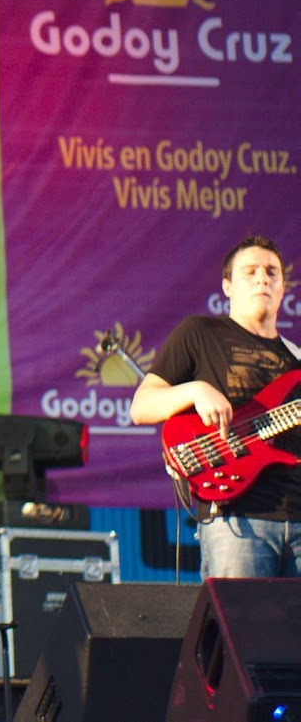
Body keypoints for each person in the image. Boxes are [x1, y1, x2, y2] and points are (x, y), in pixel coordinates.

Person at [130, 234, 301, 578]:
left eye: (272, 272)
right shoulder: (200, 332)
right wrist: (195, 390)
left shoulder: (295, 358)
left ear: (283, 287)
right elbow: (141, 407)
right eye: (250, 271)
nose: (263, 279)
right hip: (236, 518)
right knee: (238, 615)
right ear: (227, 286)